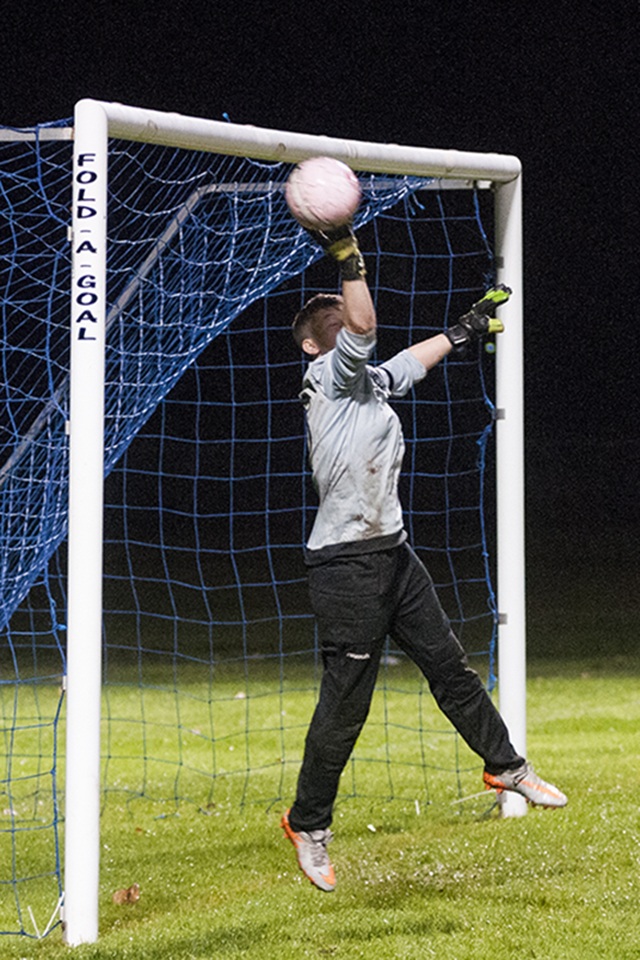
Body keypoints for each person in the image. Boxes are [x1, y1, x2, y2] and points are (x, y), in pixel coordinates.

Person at [281, 221, 566, 893]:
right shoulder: (330, 373)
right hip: (346, 568)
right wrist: (349, 258)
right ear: (318, 343)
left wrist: (464, 330)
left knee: (449, 665)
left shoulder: (367, 381)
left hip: (394, 556)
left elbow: (410, 361)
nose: (346, 319)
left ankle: (506, 764)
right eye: (337, 320)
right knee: (345, 708)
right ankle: (308, 822)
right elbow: (368, 326)